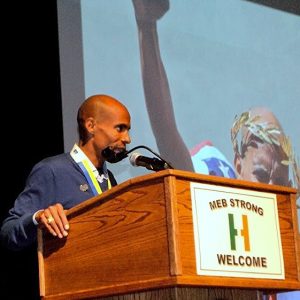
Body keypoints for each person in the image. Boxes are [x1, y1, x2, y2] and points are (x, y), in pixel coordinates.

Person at [0, 94, 131, 251]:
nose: (127, 139)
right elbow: (8, 231)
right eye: (120, 128)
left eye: (127, 130)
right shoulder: (52, 170)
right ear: (91, 126)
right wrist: (38, 218)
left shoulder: (109, 178)